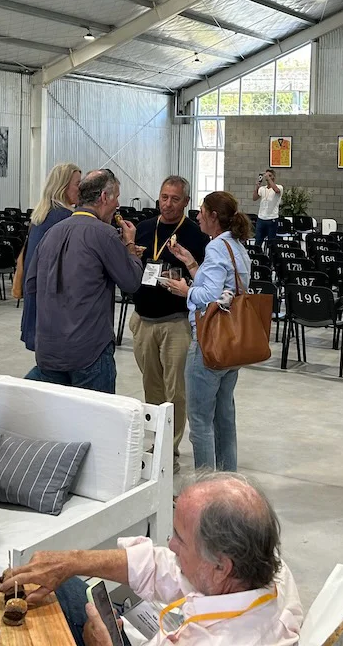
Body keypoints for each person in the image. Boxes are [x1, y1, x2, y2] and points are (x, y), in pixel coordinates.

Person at [2, 472, 302, 646]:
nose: (170, 545)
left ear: (221, 567)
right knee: (62, 585)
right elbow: (161, 566)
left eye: (180, 539)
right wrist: (71, 561)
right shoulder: (264, 569)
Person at [25, 169, 142, 393]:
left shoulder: (51, 233)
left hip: (50, 350)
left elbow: (31, 285)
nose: (118, 204)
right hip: (89, 351)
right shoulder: (105, 234)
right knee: (95, 414)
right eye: (116, 197)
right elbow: (131, 282)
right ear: (104, 197)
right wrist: (129, 246)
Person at [162, 191, 252, 471]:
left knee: (200, 421)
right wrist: (190, 263)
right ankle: (227, 480)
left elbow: (210, 296)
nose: (197, 216)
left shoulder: (215, 248)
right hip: (231, 344)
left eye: (201, 211)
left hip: (208, 342)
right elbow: (224, 288)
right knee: (224, 418)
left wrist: (185, 290)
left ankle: (205, 485)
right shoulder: (236, 246)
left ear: (213, 216)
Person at [130, 175, 208, 469]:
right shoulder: (144, 229)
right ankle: (155, 440)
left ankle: (169, 450)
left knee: (176, 389)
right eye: (164, 197)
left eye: (175, 199)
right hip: (144, 318)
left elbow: (203, 279)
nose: (168, 204)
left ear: (186, 202)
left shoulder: (196, 236)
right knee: (152, 386)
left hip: (176, 322)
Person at [20, 162, 81, 351]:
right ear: (63, 186)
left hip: (36, 297)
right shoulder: (65, 218)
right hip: (52, 305)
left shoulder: (41, 215)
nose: (81, 189)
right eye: (77, 184)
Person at [251, 169, 283, 245]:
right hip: (261, 218)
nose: (267, 177)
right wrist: (257, 187)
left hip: (272, 218)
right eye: (267, 175)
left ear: (273, 177)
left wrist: (268, 178)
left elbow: (276, 190)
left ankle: (271, 252)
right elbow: (254, 198)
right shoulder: (262, 188)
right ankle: (258, 252)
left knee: (271, 242)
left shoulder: (279, 187)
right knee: (258, 241)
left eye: (270, 175)